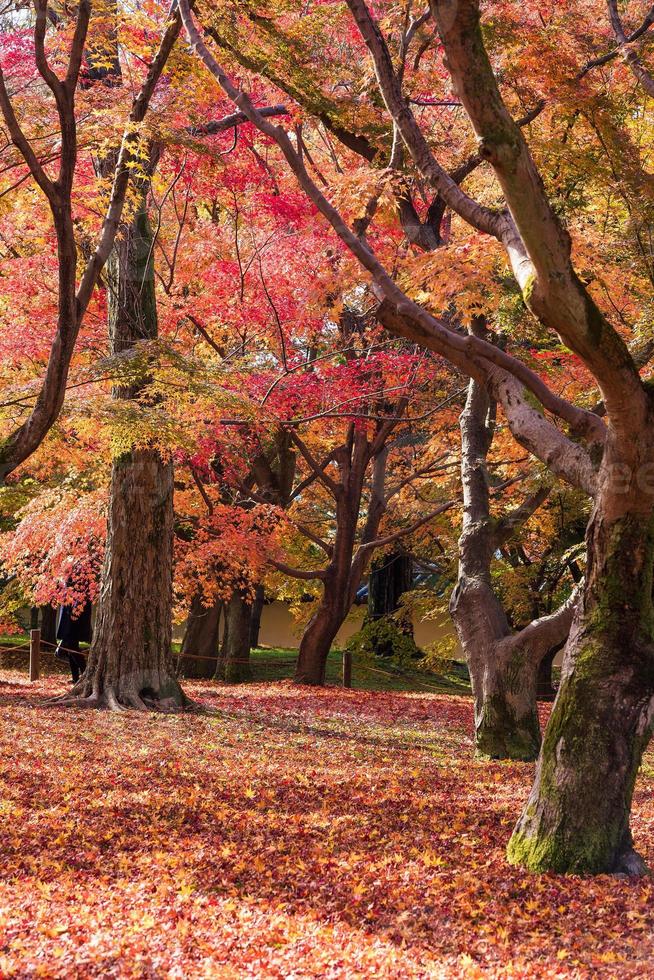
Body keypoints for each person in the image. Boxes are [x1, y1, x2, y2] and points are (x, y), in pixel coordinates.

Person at [55, 600, 92, 683]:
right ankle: (76, 677)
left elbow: (80, 600)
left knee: (72, 648)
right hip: (69, 620)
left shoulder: (78, 592)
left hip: (73, 623)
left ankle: (85, 673)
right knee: (71, 650)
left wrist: (74, 613)